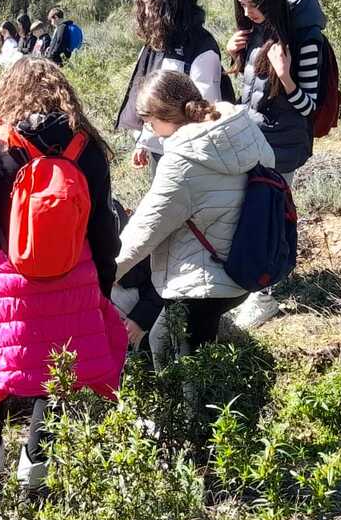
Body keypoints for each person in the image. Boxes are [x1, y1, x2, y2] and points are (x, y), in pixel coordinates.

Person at [0, 58, 128, 494]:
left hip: (7, 281)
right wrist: (98, 284)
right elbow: (104, 228)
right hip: (75, 279)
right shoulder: (87, 149)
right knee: (57, 375)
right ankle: (36, 475)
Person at [114, 70, 277, 365]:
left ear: (166, 116)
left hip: (206, 281)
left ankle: (191, 411)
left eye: (150, 123)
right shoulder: (241, 130)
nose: (150, 132)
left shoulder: (182, 162)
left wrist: (104, 276)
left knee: (172, 353)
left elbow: (145, 229)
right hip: (249, 263)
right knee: (173, 342)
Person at [117, 0, 223, 171]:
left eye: (149, 5)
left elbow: (206, 113)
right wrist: (144, 142)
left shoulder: (201, 48)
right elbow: (152, 99)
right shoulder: (157, 42)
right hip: (162, 149)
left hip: (186, 158)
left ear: (167, 5)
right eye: (143, 4)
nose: (145, 12)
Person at [226, 0, 327, 175]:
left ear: (270, 0)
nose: (246, 13)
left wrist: (285, 77)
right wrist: (235, 56)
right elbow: (254, 87)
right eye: (242, 5)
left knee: (276, 208)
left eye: (253, 5)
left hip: (282, 149)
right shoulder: (255, 28)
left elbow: (309, 107)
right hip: (251, 139)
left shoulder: (304, 39)